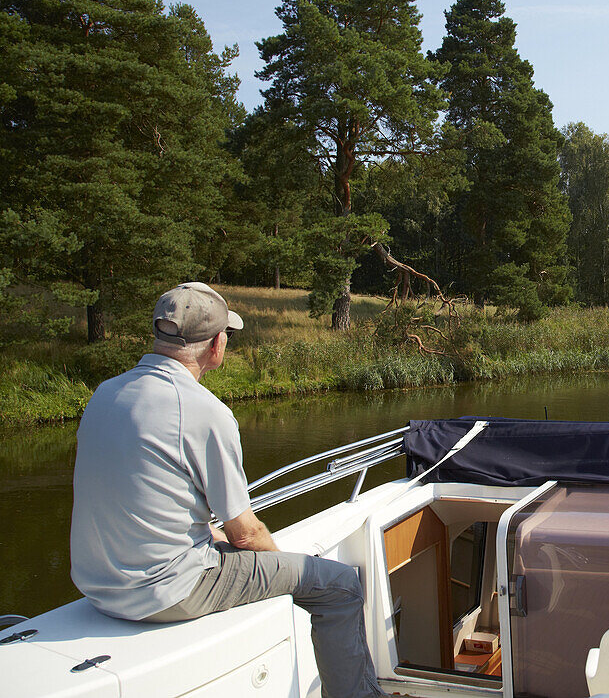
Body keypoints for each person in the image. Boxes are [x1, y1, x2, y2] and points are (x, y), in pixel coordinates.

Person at [71, 282, 388, 698]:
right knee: (339, 584)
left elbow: (146, 502)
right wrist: (288, 570)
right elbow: (246, 534)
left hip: (98, 586)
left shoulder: (105, 394)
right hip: (164, 593)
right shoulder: (205, 411)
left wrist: (211, 539)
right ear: (216, 345)